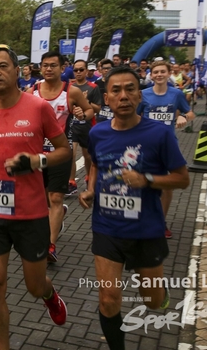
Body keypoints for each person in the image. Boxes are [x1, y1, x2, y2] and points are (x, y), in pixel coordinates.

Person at [0, 44, 69, 350]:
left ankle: (49, 295)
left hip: (31, 214)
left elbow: (64, 150)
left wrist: (37, 161)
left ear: (17, 71)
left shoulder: (38, 108)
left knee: (34, 286)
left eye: (2, 66)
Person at [78, 66, 190, 350]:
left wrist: (147, 179)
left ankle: (159, 292)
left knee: (152, 301)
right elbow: (96, 166)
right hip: (107, 227)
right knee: (108, 299)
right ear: (106, 99)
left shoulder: (159, 134)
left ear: (140, 96)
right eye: (116, 91)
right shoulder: (98, 133)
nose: (123, 96)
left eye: (130, 89)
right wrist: (91, 189)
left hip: (146, 229)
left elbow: (182, 178)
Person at [26, 51, 93, 263]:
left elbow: (89, 110)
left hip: (61, 153)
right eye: (45, 65)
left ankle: (50, 245)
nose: (48, 69)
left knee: (55, 197)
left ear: (62, 68)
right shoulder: (32, 91)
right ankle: (58, 213)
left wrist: (83, 114)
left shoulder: (71, 91)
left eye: (53, 65)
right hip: (37, 154)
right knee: (41, 199)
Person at [137, 61, 194, 239]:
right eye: (156, 72)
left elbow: (190, 113)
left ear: (169, 73)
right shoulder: (143, 94)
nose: (159, 75)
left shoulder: (176, 94)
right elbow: (135, 116)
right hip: (146, 145)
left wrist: (183, 117)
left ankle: (161, 222)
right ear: (151, 75)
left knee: (167, 186)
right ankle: (143, 219)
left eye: (163, 71)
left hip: (168, 145)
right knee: (143, 183)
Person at [67, 60, 102, 194]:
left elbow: (98, 108)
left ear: (86, 71)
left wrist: (85, 101)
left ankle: (89, 178)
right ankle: (71, 182)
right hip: (73, 126)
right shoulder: (70, 88)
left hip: (87, 126)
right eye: (76, 70)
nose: (78, 72)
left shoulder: (93, 87)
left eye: (81, 70)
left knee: (88, 156)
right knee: (71, 154)